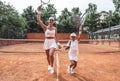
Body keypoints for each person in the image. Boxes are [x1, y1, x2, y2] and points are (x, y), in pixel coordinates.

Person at [37, 6, 61, 74]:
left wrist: (58, 43)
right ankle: (49, 65)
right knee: (47, 56)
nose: (51, 21)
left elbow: (56, 36)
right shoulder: (45, 27)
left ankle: (52, 67)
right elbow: (39, 20)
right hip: (47, 42)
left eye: (52, 20)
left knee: (51, 54)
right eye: (50, 20)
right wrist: (39, 11)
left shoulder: (55, 29)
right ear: (48, 21)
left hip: (52, 42)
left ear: (53, 22)